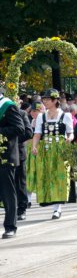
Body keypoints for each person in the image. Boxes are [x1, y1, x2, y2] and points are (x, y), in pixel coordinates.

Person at [31, 89, 75, 219]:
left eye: (47, 99)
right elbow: (37, 133)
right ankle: (50, 202)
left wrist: (70, 139)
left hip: (60, 149)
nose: (45, 101)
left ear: (55, 100)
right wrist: (34, 145)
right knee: (48, 175)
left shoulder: (65, 115)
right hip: (46, 149)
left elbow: (70, 132)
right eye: (44, 99)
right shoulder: (41, 116)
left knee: (60, 175)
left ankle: (58, 207)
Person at [0, 88, 26, 239]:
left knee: (8, 192)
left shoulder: (8, 106)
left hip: (6, 155)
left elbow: (19, 128)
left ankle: (10, 226)